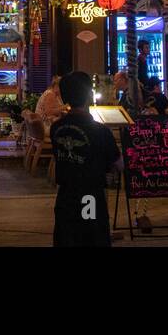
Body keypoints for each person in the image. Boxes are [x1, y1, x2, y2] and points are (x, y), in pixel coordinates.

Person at [50, 71, 120, 246]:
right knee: (91, 236)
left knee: (66, 237)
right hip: (90, 196)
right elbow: (118, 163)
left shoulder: (56, 128)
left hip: (65, 195)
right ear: (89, 95)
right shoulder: (100, 131)